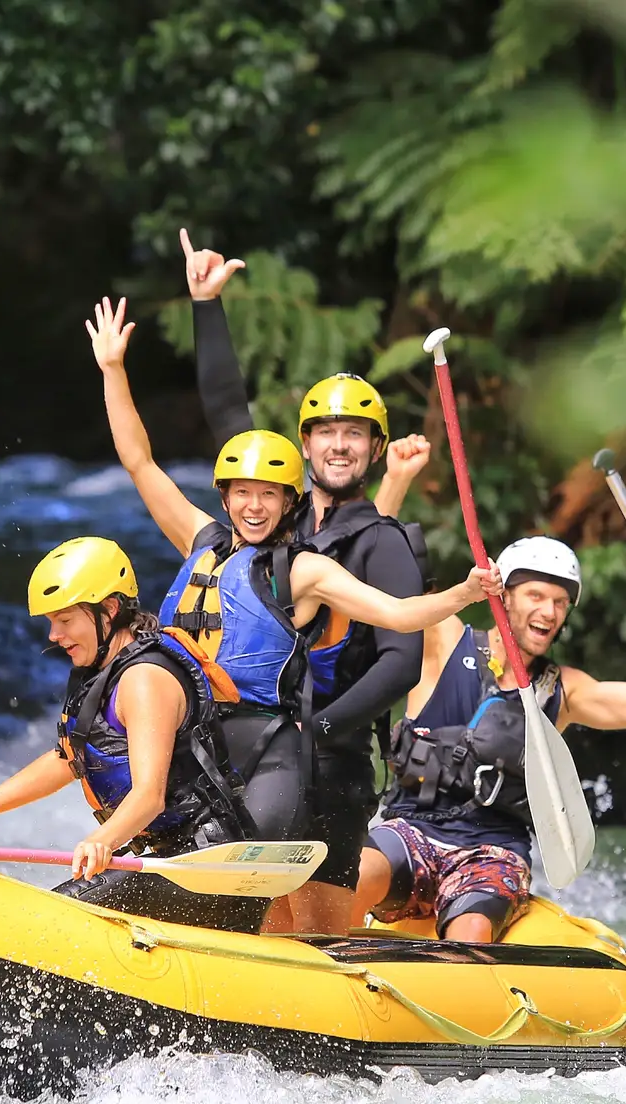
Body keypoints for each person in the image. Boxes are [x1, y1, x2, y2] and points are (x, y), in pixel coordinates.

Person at [85, 296, 501, 875]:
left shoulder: (308, 563)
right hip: (202, 748)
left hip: (311, 751)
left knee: (304, 916)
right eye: (242, 493)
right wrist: (113, 370)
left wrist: (464, 593)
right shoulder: (207, 539)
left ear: (288, 499)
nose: (255, 505)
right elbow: (140, 461)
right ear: (227, 494)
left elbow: (399, 620)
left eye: (268, 495)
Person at [179, 229, 435, 933]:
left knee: (316, 930)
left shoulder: (383, 543)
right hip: (258, 752)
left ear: (375, 449)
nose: (340, 443)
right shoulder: (281, 525)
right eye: (325, 432)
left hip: (332, 758)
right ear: (306, 445)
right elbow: (231, 416)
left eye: (356, 434)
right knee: (261, 926)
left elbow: (402, 660)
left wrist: (316, 729)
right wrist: (208, 307)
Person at [0, 538, 266, 931]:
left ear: (108, 610)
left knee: (52, 920)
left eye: (65, 620)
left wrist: (102, 840)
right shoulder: (100, 673)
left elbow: (149, 796)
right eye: (51, 623)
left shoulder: (144, 679)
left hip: (202, 865)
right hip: (161, 857)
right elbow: (66, 760)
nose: (53, 636)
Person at [357, 537, 626, 943]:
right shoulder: (444, 639)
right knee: (361, 873)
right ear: (503, 596)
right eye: (536, 596)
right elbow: (384, 600)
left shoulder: (563, 690)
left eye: (560, 602)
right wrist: (463, 590)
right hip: (412, 828)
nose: (549, 611)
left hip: (491, 851)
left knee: (470, 934)